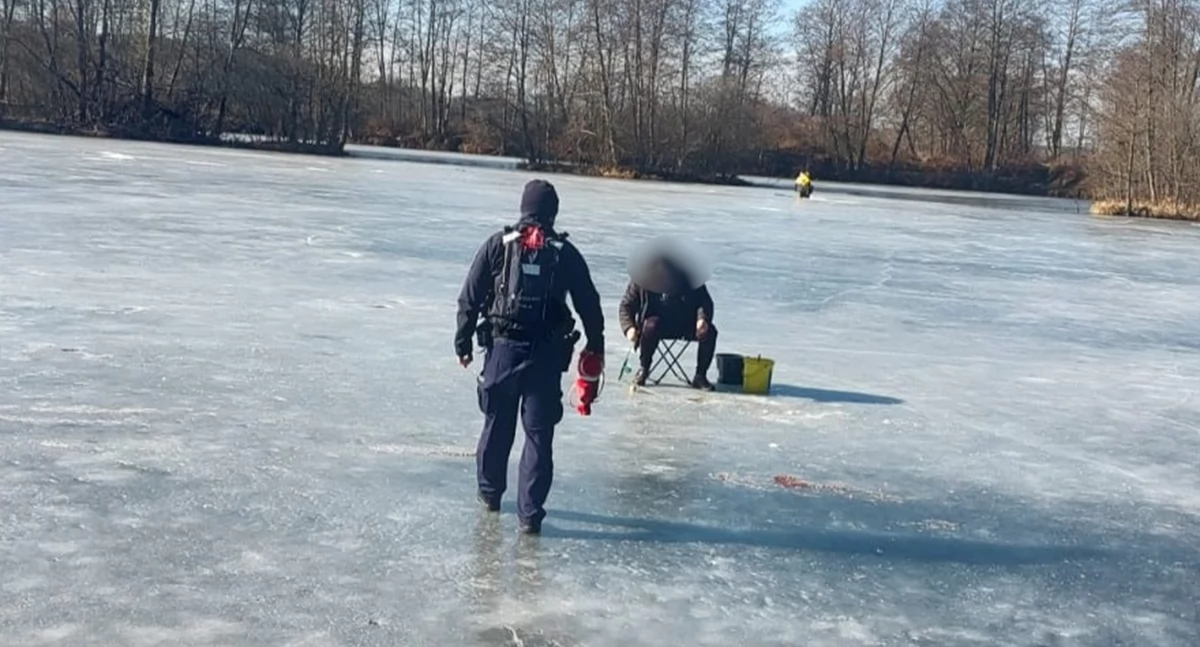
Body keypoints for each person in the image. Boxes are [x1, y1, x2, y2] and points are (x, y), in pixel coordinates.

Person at [455, 179, 605, 535]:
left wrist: (462, 342)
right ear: (553, 212)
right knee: (538, 437)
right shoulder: (563, 253)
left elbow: (470, 297)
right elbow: (589, 303)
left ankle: (490, 494)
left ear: (523, 207)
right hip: (545, 357)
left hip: (502, 353)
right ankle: (530, 515)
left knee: (496, 426)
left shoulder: (498, 245)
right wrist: (595, 346)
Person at [618, 256, 717, 390]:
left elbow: (705, 302)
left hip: (686, 324)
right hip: (656, 327)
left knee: (710, 331)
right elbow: (626, 306)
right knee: (650, 326)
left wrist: (702, 319)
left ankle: (700, 376)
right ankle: (644, 369)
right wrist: (629, 328)